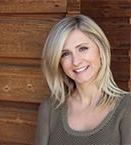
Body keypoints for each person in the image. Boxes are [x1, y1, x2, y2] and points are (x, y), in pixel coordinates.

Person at [34, 14, 131, 145]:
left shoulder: (126, 107)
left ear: (100, 50)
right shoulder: (50, 108)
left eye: (82, 48)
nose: (76, 61)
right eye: (65, 54)